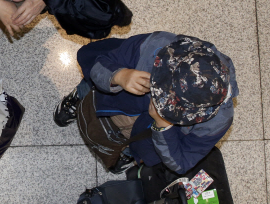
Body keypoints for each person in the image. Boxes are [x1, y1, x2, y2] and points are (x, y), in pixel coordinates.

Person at [54, 32, 237, 174]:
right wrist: (119, 75)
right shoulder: (157, 46)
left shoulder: (218, 121)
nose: (159, 103)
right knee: (90, 87)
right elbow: (94, 58)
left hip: (144, 134)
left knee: (136, 146)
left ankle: (128, 153)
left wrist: (163, 128)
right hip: (113, 98)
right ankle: (79, 97)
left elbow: (181, 162)